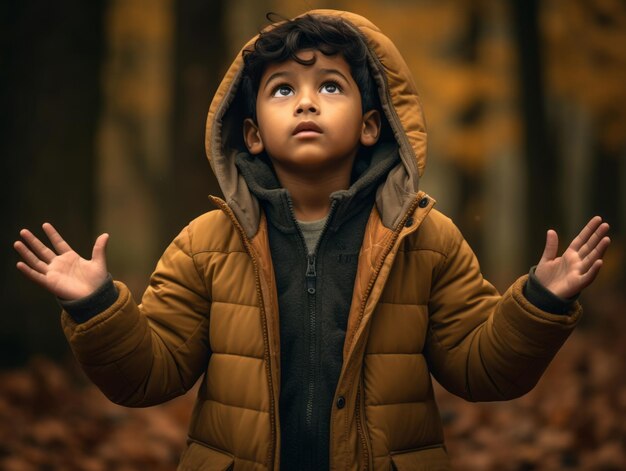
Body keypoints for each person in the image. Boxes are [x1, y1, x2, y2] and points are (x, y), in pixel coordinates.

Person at [14, 10, 610, 471]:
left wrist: (539, 303)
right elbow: (149, 375)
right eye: (281, 90)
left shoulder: (424, 239)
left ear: (372, 124)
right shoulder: (206, 244)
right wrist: (96, 306)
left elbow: (483, 369)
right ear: (250, 135)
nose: (305, 101)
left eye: (330, 86)